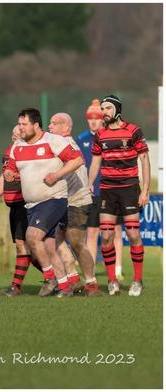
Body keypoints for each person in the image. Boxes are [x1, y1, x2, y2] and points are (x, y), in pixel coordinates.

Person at [3, 108, 84, 298]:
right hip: (31, 205)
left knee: (31, 237)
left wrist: (57, 175)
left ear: (36, 125)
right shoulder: (18, 146)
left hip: (53, 199)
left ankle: (50, 278)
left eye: (24, 124)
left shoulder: (53, 141)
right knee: (49, 245)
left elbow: (77, 160)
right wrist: (10, 174)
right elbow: (13, 169)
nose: (20, 128)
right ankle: (64, 287)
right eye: (19, 124)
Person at [89, 95, 150, 296]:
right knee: (106, 236)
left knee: (133, 235)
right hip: (108, 189)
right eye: (102, 109)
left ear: (117, 110)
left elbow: (144, 160)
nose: (103, 112)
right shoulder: (100, 134)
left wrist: (146, 190)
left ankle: (137, 281)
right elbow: (96, 161)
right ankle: (112, 281)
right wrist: (90, 182)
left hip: (130, 188)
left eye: (107, 108)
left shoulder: (133, 131)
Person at [0, 125, 42, 296]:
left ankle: (57, 279)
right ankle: (56, 278)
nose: (14, 136)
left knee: (28, 246)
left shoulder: (29, 152)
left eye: (17, 133)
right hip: (14, 206)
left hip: (28, 204)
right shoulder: (9, 152)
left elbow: (35, 176)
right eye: (12, 133)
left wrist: (16, 176)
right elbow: (4, 176)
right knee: (23, 246)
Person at [48, 112, 100, 296]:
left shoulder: (67, 144)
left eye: (55, 123)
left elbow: (76, 163)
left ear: (67, 127)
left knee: (77, 242)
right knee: (52, 239)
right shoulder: (56, 144)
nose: (50, 126)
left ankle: (91, 283)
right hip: (62, 200)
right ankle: (72, 279)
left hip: (77, 200)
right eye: (50, 122)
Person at [76, 99, 124, 281]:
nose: (94, 121)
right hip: (93, 192)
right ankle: (91, 272)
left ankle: (118, 270)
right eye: (90, 117)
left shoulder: (112, 135)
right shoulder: (81, 140)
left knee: (116, 230)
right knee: (92, 232)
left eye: (97, 117)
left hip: (114, 190)